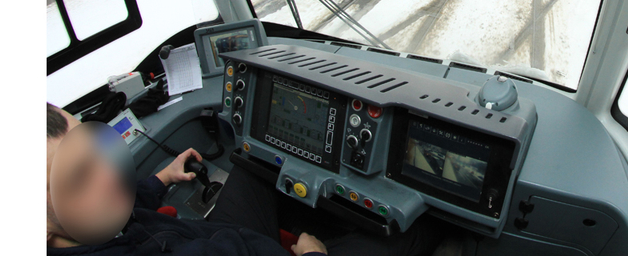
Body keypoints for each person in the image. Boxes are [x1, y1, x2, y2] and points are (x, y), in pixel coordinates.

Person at [47, 104, 444, 256]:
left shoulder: (87, 228)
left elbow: (126, 211)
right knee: (408, 234)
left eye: (97, 147)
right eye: (80, 176)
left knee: (252, 165)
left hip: (218, 238)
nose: (112, 172)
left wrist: (158, 180)